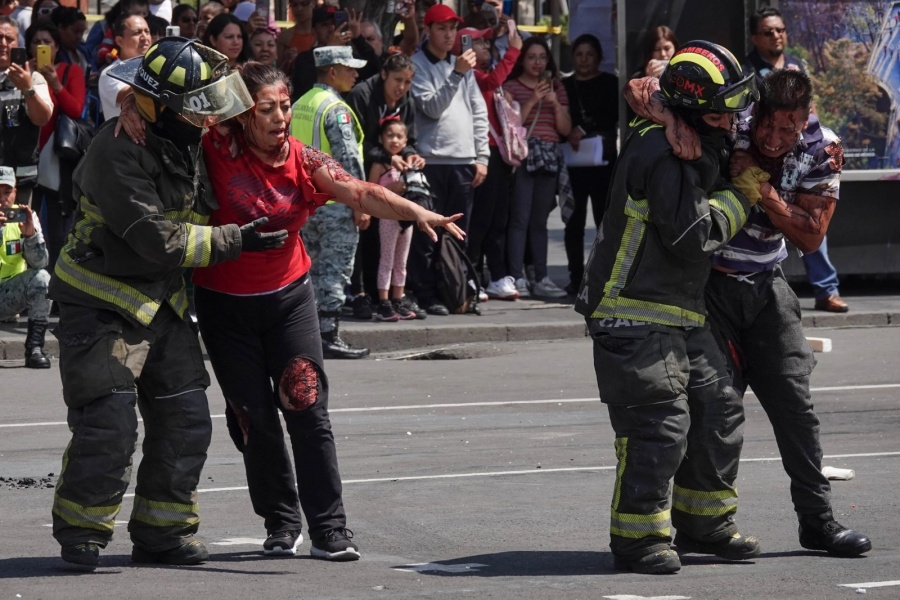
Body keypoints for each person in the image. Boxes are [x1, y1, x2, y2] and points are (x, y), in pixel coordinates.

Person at [115, 60, 464, 560]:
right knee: (254, 419)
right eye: (267, 109)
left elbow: (361, 191)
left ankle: (330, 528)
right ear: (241, 114)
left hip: (288, 300)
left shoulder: (303, 159)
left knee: (306, 404)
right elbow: (158, 98)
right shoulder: (212, 144)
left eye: (284, 106)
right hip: (224, 306)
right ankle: (281, 521)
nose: (281, 117)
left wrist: (419, 211)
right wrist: (130, 103)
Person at [630, 68, 873, 558]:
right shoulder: (733, 115)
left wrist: (759, 188)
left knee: (795, 407)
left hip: (767, 285)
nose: (774, 137)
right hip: (709, 285)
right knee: (716, 406)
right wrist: (672, 122)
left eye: (788, 129)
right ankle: (705, 526)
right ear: (755, 111)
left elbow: (810, 236)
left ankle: (818, 521)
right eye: (767, 125)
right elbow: (642, 86)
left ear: (805, 121)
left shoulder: (822, 148)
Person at [48, 37, 259, 570]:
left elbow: (260, 100)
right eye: (195, 110)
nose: (207, 119)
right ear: (159, 107)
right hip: (102, 302)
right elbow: (158, 241)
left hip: (163, 302)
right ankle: (83, 530)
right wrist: (236, 239)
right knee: (109, 422)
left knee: (187, 418)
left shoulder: (187, 138)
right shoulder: (115, 150)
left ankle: (163, 533)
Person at [574, 41, 760, 574]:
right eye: (724, 111)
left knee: (719, 407)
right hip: (630, 311)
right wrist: (742, 193)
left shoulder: (691, 135)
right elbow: (693, 237)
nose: (732, 122)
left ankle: (705, 523)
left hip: (677, 311)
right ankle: (638, 539)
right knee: (660, 425)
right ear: (696, 110)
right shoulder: (661, 152)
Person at [742, 6, 848, 313]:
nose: (776, 36)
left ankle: (826, 289)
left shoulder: (796, 64)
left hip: (796, 158)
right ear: (754, 38)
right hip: (757, 158)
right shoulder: (748, 70)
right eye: (768, 31)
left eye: (780, 30)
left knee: (810, 219)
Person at [408, 3, 489, 316]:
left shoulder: (461, 67)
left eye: (452, 28)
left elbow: (478, 112)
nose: (448, 34)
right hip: (430, 161)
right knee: (428, 233)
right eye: (441, 28)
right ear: (428, 30)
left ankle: (457, 292)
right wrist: (457, 74)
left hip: (462, 161)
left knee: (459, 233)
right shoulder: (417, 65)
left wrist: (482, 156)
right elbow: (431, 106)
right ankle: (427, 294)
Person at [291, 45, 370, 359]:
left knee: (309, 270)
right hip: (335, 204)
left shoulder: (299, 104)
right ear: (332, 71)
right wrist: (361, 203)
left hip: (306, 204)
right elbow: (348, 159)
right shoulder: (336, 109)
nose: (356, 74)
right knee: (335, 271)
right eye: (349, 68)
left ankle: (306, 334)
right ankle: (328, 336)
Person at [345, 50, 425, 320]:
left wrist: (410, 154)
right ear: (383, 75)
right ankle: (358, 294)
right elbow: (357, 144)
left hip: (392, 179)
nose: (402, 88)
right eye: (397, 81)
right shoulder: (362, 95)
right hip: (361, 175)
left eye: (407, 82)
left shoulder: (406, 101)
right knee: (363, 234)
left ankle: (393, 296)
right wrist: (386, 156)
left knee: (390, 244)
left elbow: (410, 139)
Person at [503, 36, 570, 299]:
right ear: (523, 60)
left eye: (542, 57)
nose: (537, 62)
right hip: (524, 156)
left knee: (539, 221)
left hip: (549, 156)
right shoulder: (511, 87)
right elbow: (510, 123)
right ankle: (516, 276)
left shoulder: (558, 88)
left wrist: (553, 102)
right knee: (519, 219)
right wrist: (532, 99)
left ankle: (540, 276)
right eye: (531, 57)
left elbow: (564, 129)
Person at [467, 23, 521, 301]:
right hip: (480, 154)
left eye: (487, 44)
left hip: (498, 156)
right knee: (480, 220)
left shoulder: (483, 73)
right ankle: (471, 276)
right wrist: (514, 50)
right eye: (479, 43)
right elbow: (492, 82)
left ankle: (497, 277)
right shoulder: (470, 75)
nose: (486, 47)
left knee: (499, 218)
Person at [561, 33, 617, 296]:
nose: (584, 59)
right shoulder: (564, 85)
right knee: (573, 222)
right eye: (579, 54)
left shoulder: (609, 83)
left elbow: (612, 115)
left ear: (599, 57)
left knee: (603, 221)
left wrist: (584, 128)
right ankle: (575, 277)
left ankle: (602, 277)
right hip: (572, 163)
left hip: (602, 162)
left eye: (589, 54)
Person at [26, 20, 84, 272]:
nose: (41, 46)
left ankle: (59, 288)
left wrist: (54, 83)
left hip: (58, 160)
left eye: (47, 42)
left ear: (57, 47)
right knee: (25, 225)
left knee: (60, 231)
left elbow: (76, 110)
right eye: (36, 42)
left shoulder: (72, 72)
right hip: (26, 159)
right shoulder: (21, 74)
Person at [368, 117, 421, 321]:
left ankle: (398, 298)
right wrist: (392, 189)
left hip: (405, 219)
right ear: (381, 139)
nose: (394, 140)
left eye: (399, 136)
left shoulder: (407, 164)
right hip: (387, 218)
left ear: (406, 141)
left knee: (402, 261)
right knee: (387, 260)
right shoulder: (380, 164)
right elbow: (370, 190)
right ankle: (384, 302)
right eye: (389, 136)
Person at [0, 15, 53, 208]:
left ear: (18, 44)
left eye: (9, 39)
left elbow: (42, 118)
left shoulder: (34, 78)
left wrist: (27, 88)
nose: (3, 44)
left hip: (19, 183)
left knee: (20, 236)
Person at [0, 165, 50, 368]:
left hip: (8, 296)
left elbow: (41, 263)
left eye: (6, 192)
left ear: (15, 192)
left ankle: (35, 348)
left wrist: (31, 237)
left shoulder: (25, 216)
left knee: (42, 278)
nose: (3, 199)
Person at [97, 14, 150, 119]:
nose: (144, 37)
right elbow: (129, 96)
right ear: (119, 41)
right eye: (137, 33)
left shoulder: (155, 68)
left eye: (147, 31)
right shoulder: (111, 73)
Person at [275, 0, 314, 75]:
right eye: (294, 5)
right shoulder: (285, 37)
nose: (299, 9)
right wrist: (287, 62)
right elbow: (278, 72)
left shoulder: (321, 33)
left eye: (304, 3)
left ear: (313, 4)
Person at [49, 7, 89, 74]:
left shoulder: (84, 50)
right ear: (61, 28)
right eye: (75, 31)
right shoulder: (55, 55)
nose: (79, 37)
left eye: (82, 32)